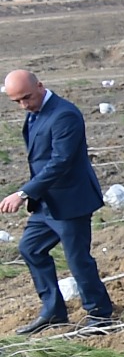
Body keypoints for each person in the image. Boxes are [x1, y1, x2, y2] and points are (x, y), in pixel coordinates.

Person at [3, 69, 112, 334]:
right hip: (46, 204)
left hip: (71, 201)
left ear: (40, 85)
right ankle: (53, 310)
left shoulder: (64, 114)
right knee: (30, 248)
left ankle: (100, 316)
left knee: (77, 260)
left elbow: (60, 162)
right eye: (16, 101)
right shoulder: (34, 115)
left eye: (26, 97)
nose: (23, 105)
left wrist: (24, 193)